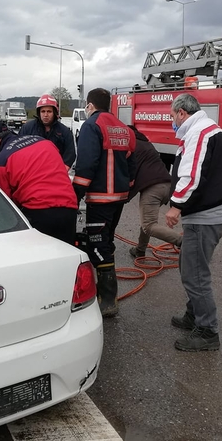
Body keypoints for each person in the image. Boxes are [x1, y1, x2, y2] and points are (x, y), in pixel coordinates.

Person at [164, 93, 222, 352]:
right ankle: (193, 315)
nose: (173, 121)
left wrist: (176, 206)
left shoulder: (199, 133)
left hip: (204, 218)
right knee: (190, 266)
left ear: (182, 112)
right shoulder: (207, 129)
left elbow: (191, 174)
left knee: (195, 275)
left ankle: (207, 331)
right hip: (206, 214)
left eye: (173, 116)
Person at [73, 88, 136, 317]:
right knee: (106, 241)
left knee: (98, 245)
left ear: (89, 105)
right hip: (118, 197)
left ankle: (108, 301)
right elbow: (131, 162)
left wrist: (75, 193)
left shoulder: (92, 125)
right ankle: (104, 294)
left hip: (100, 197)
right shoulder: (122, 127)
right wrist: (126, 187)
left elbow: (87, 162)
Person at [0, 121, 78, 244]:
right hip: (69, 207)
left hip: (38, 211)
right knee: (66, 255)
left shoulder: (2, 161)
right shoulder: (44, 142)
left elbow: (6, 203)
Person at [127, 125, 182, 258]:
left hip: (153, 188)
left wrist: (124, 198)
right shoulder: (146, 144)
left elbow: (131, 175)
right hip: (167, 186)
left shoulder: (133, 147)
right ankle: (140, 250)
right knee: (147, 219)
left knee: (149, 225)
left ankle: (185, 242)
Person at [19, 94, 76, 169]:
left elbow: (70, 154)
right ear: (39, 113)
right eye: (43, 111)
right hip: (31, 172)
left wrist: (62, 171)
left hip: (55, 172)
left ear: (55, 113)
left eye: (49, 111)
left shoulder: (64, 131)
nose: (45, 115)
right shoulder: (27, 129)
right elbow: (18, 152)